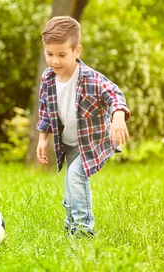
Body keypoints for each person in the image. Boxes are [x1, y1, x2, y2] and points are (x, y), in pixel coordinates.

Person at [36, 16, 130, 237]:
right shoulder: (48, 78)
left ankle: (83, 230)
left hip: (92, 142)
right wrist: (43, 139)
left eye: (62, 55)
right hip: (68, 144)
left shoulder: (90, 79)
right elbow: (45, 111)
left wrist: (118, 117)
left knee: (77, 176)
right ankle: (70, 226)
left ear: (76, 51)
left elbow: (115, 94)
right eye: (49, 54)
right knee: (71, 187)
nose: (55, 61)